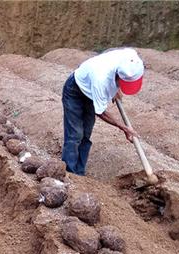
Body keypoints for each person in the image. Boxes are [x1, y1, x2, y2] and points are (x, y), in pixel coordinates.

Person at [61, 47, 144, 175]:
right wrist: (124, 128)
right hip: (75, 91)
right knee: (75, 134)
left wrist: (116, 88)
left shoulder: (130, 56)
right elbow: (100, 112)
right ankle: (70, 174)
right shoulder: (101, 79)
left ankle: (80, 173)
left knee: (86, 134)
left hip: (91, 86)